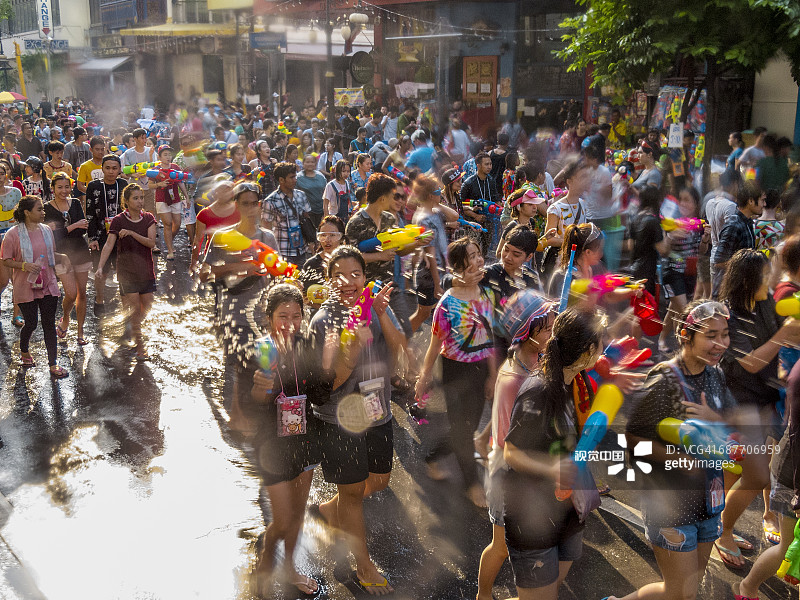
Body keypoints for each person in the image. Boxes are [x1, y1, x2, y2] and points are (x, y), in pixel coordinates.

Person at [614, 300, 736, 600]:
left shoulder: (715, 374)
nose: (720, 343)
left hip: (710, 501)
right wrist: (678, 458)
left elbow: (731, 425)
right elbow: (631, 439)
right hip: (671, 506)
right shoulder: (663, 379)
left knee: (686, 592)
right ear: (686, 334)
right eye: (711, 335)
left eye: (725, 334)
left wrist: (714, 422)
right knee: (679, 594)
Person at [308, 245, 401, 595]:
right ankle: (362, 566)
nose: (347, 282)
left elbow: (395, 355)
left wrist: (381, 314)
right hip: (338, 420)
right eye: (338, 276)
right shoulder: (323, 322)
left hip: (376, 410)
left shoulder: (372, 307)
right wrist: (350, 354)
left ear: (365, 276)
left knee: (378, 481)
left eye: (355, 274)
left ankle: (330, 510)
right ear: (329, 281)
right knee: (352, 495)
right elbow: (323, 387)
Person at [503, 308, 604, 600]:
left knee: (550, 589)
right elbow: (510, 452)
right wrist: (552, 469)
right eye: (600, 343)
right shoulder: (539, 391)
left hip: (566, 511)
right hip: (531, 516)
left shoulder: (578, 382)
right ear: (586, 351)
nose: (604, 348)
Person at [715, 249, 800, 566]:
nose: (773, 279)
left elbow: (791, 332)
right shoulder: (730, 318)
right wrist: (783, 335)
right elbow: (750, 363)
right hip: (738, 406)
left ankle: (713, 527)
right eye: (766, 275)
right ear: (750, 281)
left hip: (762, 402)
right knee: (757, 477)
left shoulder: (766, 304)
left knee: (730, 475)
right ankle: (721, 531)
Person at [249, 284, 332, 597]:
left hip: (305, 440)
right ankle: (267, 559)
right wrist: (260, 387)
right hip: (272, 447)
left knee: (296, 515)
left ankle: (289, 567)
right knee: (282, 521)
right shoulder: (262, 349)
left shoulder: (306, 345)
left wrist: (327, 363)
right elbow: (253, 405)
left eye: (296, 316)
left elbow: (321, 395)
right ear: (269, 318)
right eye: (282, 316)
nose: (290, 323)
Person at [476, 291, 554, 600]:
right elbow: (510, 444)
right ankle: (483, 594)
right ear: (528, 333)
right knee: (502, 545)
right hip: (508, 475)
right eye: (547, 329)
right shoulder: (512, 380)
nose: (553, 333)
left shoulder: (538, 360)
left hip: (529, 472)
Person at [416, 236, 497, 507]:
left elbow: (491, 339)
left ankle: (432, 456)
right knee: (463, 431)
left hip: (480, 370)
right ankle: (472, 485)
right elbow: (434, 344)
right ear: (459, 267)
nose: (478, 260)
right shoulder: (447, 305)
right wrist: (423, 377)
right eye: (471, 256)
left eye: (478, 254)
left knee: (468, 427)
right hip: (454, 371)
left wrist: (493, 375)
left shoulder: (487, 294)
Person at [201, 182, 278, 434]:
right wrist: (239, 268)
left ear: (259, 205)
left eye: (254, 203)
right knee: (234, 367)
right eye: (244, 203)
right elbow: (204, 273)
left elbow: (278, 274)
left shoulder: (268, 237)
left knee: (263, 368)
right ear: (236, 205)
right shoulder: (222, 236)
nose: (250, 208)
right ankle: (234, 423)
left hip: (262, 317)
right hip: (232, 314)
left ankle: (258, 421)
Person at [0, 195, 69, 378]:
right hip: (25, 285)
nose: (43, 212)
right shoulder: (13, 234)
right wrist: (24, 265)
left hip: (47, 283)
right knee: (30, 323)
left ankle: (53, 364)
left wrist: (63, 259)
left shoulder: (46, 230)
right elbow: (5, 261)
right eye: (39, 209)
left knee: (48, 324)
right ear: (27, 212)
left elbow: (51, 254)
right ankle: (24, 351)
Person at [95, 184, 156, 361]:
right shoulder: (118, 220)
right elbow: (108, 244)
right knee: (135, 310)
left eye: (141, 197)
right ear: (126, 201)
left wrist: (131, 233)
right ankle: (140, 347)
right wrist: (100, 266)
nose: (139, 201)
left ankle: (130, 325)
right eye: (135, 198)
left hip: (146, 270)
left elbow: (151, 243)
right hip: (126, 272)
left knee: (146, 307)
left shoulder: (149, 218)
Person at [44, 172, 91, 344]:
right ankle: (65, 319)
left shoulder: (76, 203)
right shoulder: (47, 207)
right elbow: (52, 236)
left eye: (67, 187)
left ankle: (80, 332)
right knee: (70, 294)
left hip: (80, 252)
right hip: (62, 256)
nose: (64, 190)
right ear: (53, 188)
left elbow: (83, 228)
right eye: (60, 187)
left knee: (82, 294)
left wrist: (68, 229)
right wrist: (74, 226)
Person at [658, 187, 707, 352]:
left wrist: (706, 239)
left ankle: (662, 339)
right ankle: (685, 349)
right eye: (681, 200)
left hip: (690, 272)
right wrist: (671, 236)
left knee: (673, 310)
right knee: (685, 311)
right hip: (672, 271)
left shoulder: (699, 223)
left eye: (688, 200)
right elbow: (663, 250)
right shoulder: (670, 221)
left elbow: (700, 251)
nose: (683, 204)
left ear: (695, 203)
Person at [409, 174, 458, 332]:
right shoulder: (424, 218)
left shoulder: (434, 212)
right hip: (429, 274)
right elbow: (430, 253)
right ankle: (402, 340)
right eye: (438, 191)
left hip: (440, 270)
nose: (441, 194)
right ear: (430, 195)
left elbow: (455, 216)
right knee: (424, 313)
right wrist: (438, 284)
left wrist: (438, 203)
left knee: (430, 313)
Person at [86, 154, 128, 316]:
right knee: (101, 270)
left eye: (114, 168)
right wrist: (92, 238)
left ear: (119, 170)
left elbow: (129, 211)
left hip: (122, 235)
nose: (111, 171)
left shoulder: (123, 184)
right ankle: (99, 299)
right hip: (100, 233)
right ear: (102, 168)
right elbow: (89, 212)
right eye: (107, 168)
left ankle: (126, 302)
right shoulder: (93, 186)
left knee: (123, 270)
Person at [712, 181, 764, 298]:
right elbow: (719, 261)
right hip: (727, 294)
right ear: (751, 201)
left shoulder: (748, 222)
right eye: (761, 200)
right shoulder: (734, 225)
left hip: (740, 292)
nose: (763, 204)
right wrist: (746, 262)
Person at [541, 158, 590, 281]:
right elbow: (550, 239)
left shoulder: (583, 204)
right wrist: (573, 242)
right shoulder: (556, 208)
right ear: (569, 181)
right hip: (561, 264)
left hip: (579, 260)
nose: (586, 181)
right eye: (582, 177)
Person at [261, 162, 312, 267]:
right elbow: (266, 228)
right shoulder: (270, 201)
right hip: (283, 251)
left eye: (295, 176)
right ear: (281, 180)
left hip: (302, 250)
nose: (295, 180)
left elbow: (307, 217)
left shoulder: (301, 195)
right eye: (291, 177)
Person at [190, 180, 240, 272]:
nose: (227, 193)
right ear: (214, 193)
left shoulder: (240, 209)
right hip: (213, 259)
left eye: (229, 190)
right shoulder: (204, 214)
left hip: (237, 257)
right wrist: (193, 263)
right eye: (223, 190)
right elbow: (197, 240)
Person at [149, 145, 188, 260]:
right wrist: (159, 184)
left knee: (177, 223)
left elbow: (181, 183)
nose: (168, 157)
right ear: (159, 156)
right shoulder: (155, 170)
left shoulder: (175, 167)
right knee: (167, 224)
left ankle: (168, 240)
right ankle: (170, 250)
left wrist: (186, 197)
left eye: (169, 154)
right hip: (161, 199)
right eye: (165, 154)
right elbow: (150, 185)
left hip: (175, 198)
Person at [629, 186, 670, 297]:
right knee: (648, 306)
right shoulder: (653, 221)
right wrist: (667, 235)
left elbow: (630, 246)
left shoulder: (634, 218)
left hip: (635, 268)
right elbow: (663, 250)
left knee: (637, 305)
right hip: (648, 271)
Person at [297, 215, 346, 295]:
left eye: (332, 235)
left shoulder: (349, 261)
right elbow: (305, 295)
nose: (327, 240)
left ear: (341, 238)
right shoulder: (311, 265)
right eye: (323, 235)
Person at [0, 162, 23, 325]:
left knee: (17, 278)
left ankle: (17, 314)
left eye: (1, 173)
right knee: (3, 280)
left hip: (14, 238)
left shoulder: (15, 192)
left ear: (5, 175)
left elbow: (23, 215)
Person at [120, 128, 158, 216]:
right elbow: (126, 171)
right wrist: (134, 174)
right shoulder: (128, 153)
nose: (144, 140)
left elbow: (155, 167)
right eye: (142, 138)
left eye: (145, 138)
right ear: (135, 139)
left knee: (150, 213)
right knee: (135, 212)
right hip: (134, 187)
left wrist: (150, 158)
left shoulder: (150, 151)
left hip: (148, 187)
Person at [295, 154, 327, 228]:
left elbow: (326, 192)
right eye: (307, 162)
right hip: (307, 212)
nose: (310, 164)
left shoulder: (321, 176)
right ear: (303, 164)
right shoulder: (298, 177)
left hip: (321, 210)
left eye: (312, 162)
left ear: (315, 164)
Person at [76, 136, 107, 207]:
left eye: (102, 149)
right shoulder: (85, 166)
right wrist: (92, 192)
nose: (100, 152)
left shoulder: (109, 163)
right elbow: (80, 185)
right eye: (97, 149)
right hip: (92, 200)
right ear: (91, 149)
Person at [323, 159, 354, 224]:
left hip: (345, 217)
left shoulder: (347, 183)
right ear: (338, 171)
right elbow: (325, 204)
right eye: (343, 171)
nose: (346, 174)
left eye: (348, 171)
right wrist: (327, 220)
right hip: (334, 217)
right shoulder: (330, 185)